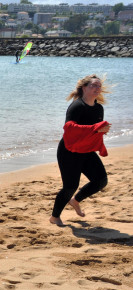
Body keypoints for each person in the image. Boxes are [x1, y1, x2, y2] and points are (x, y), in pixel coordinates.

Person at [49, 75, 110, 226]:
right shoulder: (77, 106)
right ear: (84, 88)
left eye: (99, 86)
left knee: (101, 181)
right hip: (69, 151)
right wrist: (95, 128)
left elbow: (94, 132)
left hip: (86, 150)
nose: (97, 88)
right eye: (93, 86)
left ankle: (75, 201)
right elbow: (69, 128)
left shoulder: (98, 108)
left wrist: (100, 132)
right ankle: (54, 217)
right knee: (70, 186)